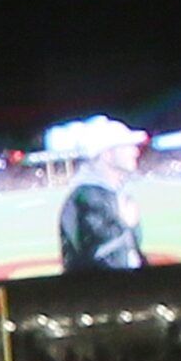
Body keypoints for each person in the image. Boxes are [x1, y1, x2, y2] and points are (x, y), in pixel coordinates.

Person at [56, 116, 147, 273]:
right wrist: (125, 224)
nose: (136, 151)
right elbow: (100, 259)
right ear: (107, 154)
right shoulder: (87, 197)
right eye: (127, 146)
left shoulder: (113, 192)